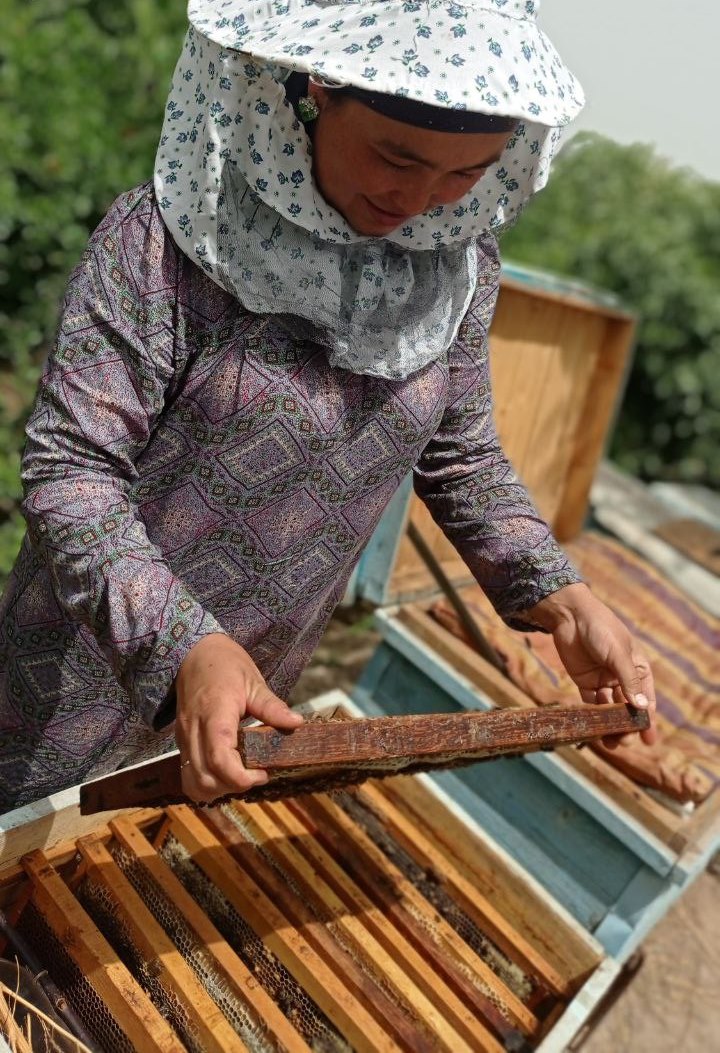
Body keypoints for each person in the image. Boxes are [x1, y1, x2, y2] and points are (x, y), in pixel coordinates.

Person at [0, 0, 656, 812]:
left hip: (250, 709)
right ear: (318, 89)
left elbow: (462, 456)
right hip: (67, 696)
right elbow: (73, 471)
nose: (420, 200)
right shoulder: (170, 236)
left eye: (465, 175)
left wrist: (565, 599)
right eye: (396, 155)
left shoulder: (456, 273)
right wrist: (184, 643)